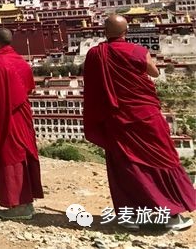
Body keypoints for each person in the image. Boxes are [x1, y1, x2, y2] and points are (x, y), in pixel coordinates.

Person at [83, 14, 195, 231]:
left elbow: (94, 87)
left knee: (123, 164)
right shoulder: (138, 51)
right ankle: (171, 214)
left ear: (105, 32)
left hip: (116, 118)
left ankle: (130, 217)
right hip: (145, 115)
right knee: (161, 159)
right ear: (126, 31)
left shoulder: (95, 54)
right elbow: (153, 71)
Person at [0, 28, 43, 220]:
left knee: (9, 157)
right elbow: (28, 87)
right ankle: (27, 201)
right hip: (21, 115)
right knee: (22, 155)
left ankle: (19, 205)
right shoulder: (19, 60)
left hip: (6, 118)